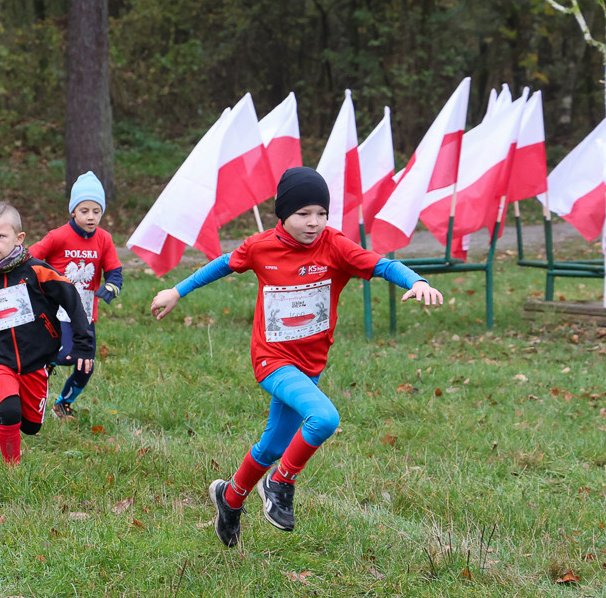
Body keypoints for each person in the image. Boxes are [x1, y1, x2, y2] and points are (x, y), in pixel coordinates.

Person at [149, 167, 444, 547]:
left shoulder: (335, 246)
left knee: (272, 447)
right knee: (323, 419)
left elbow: (383, 265)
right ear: (282, 214)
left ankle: (230, 497)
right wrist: (177, 290)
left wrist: (416, 281)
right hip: (272, 360)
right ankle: (280, 483)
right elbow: (224, 264)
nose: (314, 222)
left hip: (310, 365)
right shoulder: (260, 247)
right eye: (304, 213)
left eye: (321, 213)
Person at [0, 202, 95, 465]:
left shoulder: (38, 272)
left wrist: (84, 343)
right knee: (9, 412)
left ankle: (0, 395)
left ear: (19, 239)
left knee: (30, 427)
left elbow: (72, 300)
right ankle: (11, 469)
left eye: (0, 236)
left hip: (35, 360)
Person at [29, 171, 122, 418]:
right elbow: (30, 258)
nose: (91, 217)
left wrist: (112, 287)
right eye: (84, 211)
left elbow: (115, 272)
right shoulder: (58, 236)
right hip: (58, 312)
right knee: (66, 355)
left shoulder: (104, 239)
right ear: (73, 211)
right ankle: (25, 379)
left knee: (85, 366)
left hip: (86, 315)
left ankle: (62, 404)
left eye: (96, 211)